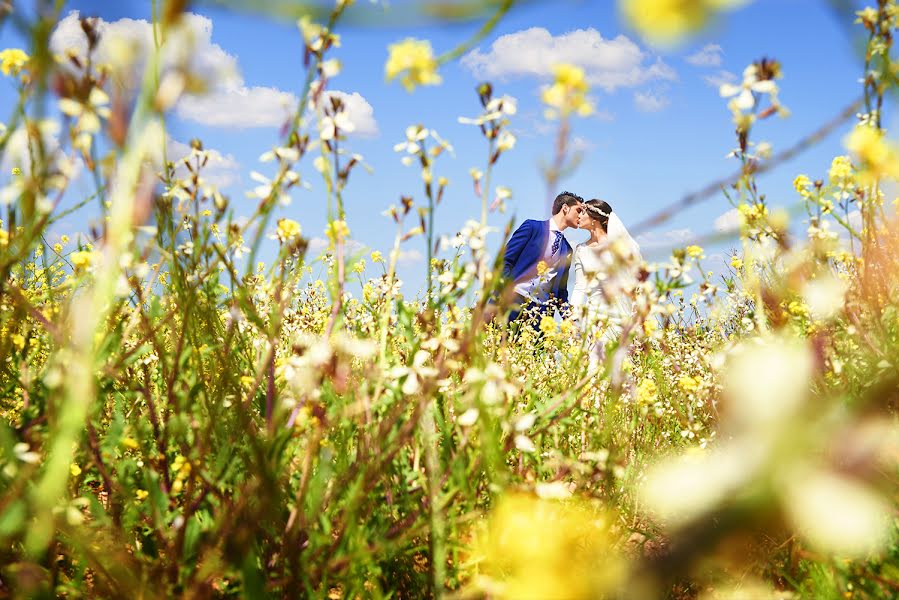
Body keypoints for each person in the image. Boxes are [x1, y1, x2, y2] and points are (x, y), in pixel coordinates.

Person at [569, 199, 642, 363]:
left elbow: (636, 282)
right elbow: (580, 286)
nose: (579, 216)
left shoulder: (620, 246)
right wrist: (572, 316)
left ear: (594, 218)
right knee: (594, 366)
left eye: (583, 212)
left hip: (620, 312)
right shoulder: (581, 249)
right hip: (595, 315)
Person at [501, 191, 584, 327]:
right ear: (565, 208)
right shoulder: (532, 227)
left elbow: (561, 290)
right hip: (513, 300)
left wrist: (569, 321)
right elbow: (505, 260)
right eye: (578, 210)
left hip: (540, 313)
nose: (581, 216)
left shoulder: (567, 249)